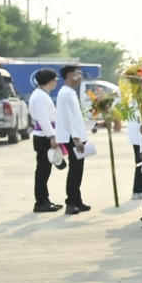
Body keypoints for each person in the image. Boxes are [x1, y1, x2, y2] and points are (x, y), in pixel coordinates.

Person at [54, 64, 92, 216]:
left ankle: (77, 199)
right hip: (73, 138)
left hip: (77, 136)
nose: (81, 76)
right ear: (70, 75)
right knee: (75, 170)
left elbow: (77, 118)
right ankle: (71, 202)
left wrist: (95, 124)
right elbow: (69, 119)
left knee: (78, 170)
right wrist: (76, 139)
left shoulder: (70, 93)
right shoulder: (67, 94)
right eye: (78, 73)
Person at [28, 67, 60, 213]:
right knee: (43, 170)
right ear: (51, 81)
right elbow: (43, 119)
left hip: (44, 135)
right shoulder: (40, 96)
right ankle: (41, 202)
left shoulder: (41, 94)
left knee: (45, 169)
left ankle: (45, 200)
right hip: (43, 137)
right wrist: (51, 136)